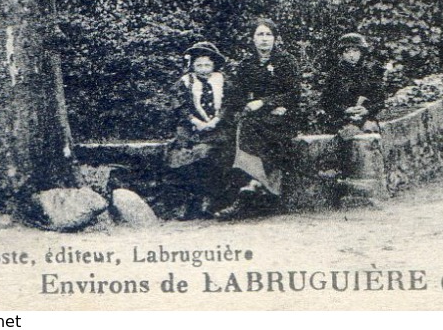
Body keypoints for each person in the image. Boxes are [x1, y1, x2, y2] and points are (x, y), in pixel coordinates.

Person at [217, 18, 302, 217]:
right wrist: (249, 105)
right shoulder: (247, 64)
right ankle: (255, 185)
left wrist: (266, 102)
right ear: (253, 39)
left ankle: (254, 188)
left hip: (284, 117)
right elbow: (237, 94)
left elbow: (293, 93)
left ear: (275, 39)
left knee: (257, 131)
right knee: (244, 128)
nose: (264, 39)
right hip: (258, 116)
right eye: (259, 35)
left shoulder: (286, 61)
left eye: (268, 35)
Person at [164, 41, 231, 220]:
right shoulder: (185, 83)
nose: (203, 69)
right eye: (199, 65)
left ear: (214, 65)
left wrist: (217, 120)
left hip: (217, 129)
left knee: (213, 155)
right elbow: (180, 107)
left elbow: (229, 105)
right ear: (192, 66)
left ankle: (209, 201)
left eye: (207, 64)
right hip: (191, 129)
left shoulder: (222, 82)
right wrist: (195, 121)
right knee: (184, 157)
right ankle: (188, 201)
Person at [321, 32, 385, 134]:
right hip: (341, 120)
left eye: (355, 51)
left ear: (361, 52)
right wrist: (345, 110)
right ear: (342, 54)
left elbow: (380, 99)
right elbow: (326, 101)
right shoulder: (334, 75)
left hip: (366, 118)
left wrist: (367, 109)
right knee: (349, 133)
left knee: (370, 132)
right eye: (347, 52)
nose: (351, 55)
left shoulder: (369, 73)